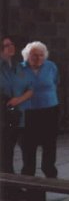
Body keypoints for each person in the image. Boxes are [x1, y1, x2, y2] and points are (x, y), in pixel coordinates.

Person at [20, 41, 60, 178]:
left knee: (49, 144)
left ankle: (50, 172)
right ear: (27, 55)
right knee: (28, 145)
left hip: (49, 111)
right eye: (34, 55)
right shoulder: (19, 69)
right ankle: (28, 174)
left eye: (41, 55)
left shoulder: (51, 66)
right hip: (28, 112)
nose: (38, 58)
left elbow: (55, 82)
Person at [0, 36, 33, 179]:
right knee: (6, 154)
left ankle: (29, 185)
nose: (11, 47)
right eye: (6, 45)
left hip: (22, 113)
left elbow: (30, 89)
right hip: (5, 116)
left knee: (28, 152)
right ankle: (10, 186)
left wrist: (18, 100)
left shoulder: (19, 66)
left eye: (12, 44)